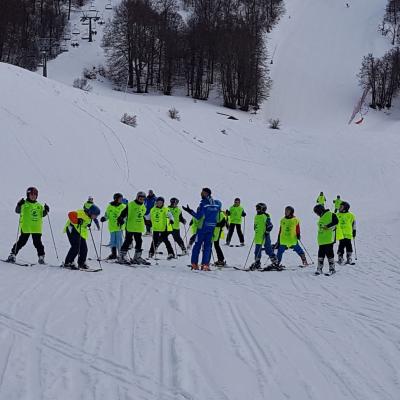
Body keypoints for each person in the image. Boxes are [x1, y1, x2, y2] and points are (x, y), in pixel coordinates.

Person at [7, 187, 49, 264]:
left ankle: (41, 257)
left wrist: (46, 211)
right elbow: (17, 211)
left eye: (35, 194)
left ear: (37, 196)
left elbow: (42, 214)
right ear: (28, 195)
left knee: (38, 243)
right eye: (31, 194)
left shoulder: (39, 205)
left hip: (36, 228)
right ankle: (12, 254)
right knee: (21, 242)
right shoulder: (24, 204)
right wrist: (19, 204)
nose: (33, 196)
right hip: (26, 227)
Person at [183, 188, 221, 271]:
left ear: (207, 194)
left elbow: (198, 216)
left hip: (202, 228)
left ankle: (194, 264)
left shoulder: (203, 203)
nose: (201, 194)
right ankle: (205, 265)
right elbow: (218, 219)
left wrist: (190, 211)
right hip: (211, 229)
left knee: (197, 246)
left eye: (203, 193)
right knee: (208, 247)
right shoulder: (217, 204)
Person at [63, 204, 101, 269]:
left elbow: (85, 221)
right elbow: (70, 214)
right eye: (95, 215)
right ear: (91, 212)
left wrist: (87, 224)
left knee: (84, 248)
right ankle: (68, 262)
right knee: (75, 247)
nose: (96, 217)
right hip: (71, 229)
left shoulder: (89, 216)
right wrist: (77, 220)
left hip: (79, 231)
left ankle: (81, 263)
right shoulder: (81, 213)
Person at [117, 191, 149, 265]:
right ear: (137, 197)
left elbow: (141, 215)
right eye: (140, 198)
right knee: (128, 241)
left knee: (139, 241)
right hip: (130, 227)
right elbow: (124, 212)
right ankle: (121, 256)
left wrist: (146, 221)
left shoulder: (143, 206)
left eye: (143, 198)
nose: (141, 199)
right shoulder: (131, 204)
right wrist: (121, 217)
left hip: (139, 227)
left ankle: (137, 257)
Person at [249, 203, 279, 270]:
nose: (257, 210)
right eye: (257, 208)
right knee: (257, 251)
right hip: (258, 236)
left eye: (259, 208)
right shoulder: (256, 216)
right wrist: (256, 230)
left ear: (263, 209)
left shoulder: (265, 216)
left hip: (265, 236)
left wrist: (267, 231)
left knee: (268, 249)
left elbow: (270, 226)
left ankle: (275, 262)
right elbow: (255, 225)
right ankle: (257, 263)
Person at [313, 204, 338, 275]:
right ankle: (319, 269)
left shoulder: (331, 214)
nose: (317, 214)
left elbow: (336, 222)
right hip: (321, 239)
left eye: (317, 212)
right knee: (320, 254)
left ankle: (332, 269)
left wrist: (328, 226)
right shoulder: (322, 217)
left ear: (320, 210)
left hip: (329, 238)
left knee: (329, 253)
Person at [100, 193, 126, 260]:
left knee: (119, 241)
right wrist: (104, 218)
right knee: (112, 241)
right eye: (120, 198)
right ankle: (113, 254)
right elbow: (107, 215)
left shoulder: (123, 206)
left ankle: (121, 255)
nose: (121, 200)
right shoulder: (110, 206)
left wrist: (123, 220)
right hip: (112, 227)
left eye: (121, 198)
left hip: (119, 227)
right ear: (115, 199)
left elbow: (126, 216)